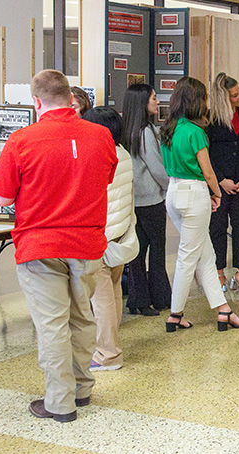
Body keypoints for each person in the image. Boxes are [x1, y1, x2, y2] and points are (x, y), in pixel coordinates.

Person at [0, 69, 117, 422]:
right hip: (88, 242)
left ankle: (60, 403)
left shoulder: (22, 140)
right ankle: (82, 388)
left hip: (40, 244)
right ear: (70, 99)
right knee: (81, 317)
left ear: (37, 101)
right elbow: (105, 178)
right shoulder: (101, 136)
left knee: (52, 324)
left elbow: (0, 196)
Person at [160, 77, 239, 332]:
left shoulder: (169, 128)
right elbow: (208, 172)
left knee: (205, 255)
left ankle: (224, 310)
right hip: (195, 192)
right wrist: (217, 194)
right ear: (195, 101)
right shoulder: (195, 131)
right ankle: (175, 313)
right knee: (188, 257)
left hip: (174, 192)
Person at [82, 107, 137, 372]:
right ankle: (110, 345)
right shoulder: (123, 153)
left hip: (100, 237)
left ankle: (107, 354)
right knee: (113, 293)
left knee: (101, 299)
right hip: (119, 235)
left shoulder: (100, 156)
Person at [122, 83, 170, 316]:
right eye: (153, 98)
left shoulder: (125, 130)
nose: (157, 102)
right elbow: (156, 167)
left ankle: (138, 299)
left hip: (133, 201)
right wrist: (169, 187)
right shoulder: (147, 131)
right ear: (143, 103)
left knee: (136, 254)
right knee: (157, 251)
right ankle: (160, 297)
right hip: (151, 200)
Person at [207, 73, 239, 293]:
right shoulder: (210, 119)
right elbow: (205, 154)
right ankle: (218, 273)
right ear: (224, 98)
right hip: (220, 184)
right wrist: (219, 181)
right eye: (235, 95)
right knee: (217, 228)